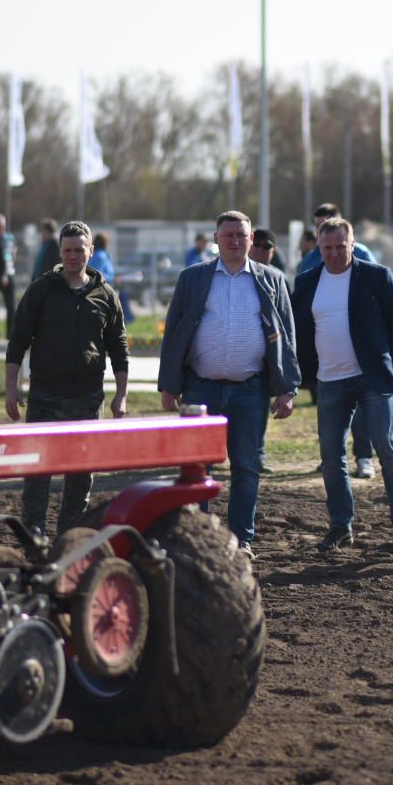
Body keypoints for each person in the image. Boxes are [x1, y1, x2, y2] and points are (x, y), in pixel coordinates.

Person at [158, 211, 300, 557]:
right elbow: (175, 331)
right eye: (229, 235)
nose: (236, 241)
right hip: (200, 389)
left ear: (252, 240)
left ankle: (241, 541)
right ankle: (198, 540)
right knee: (196, 468)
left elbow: (287, 334)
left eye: (242, 235)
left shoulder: (271, 279)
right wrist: (169, 384)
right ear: (216, 239)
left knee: (247, 467)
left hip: (250, 390)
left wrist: (287, 387)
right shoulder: (193, 278)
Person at [292, 217, 393, 552]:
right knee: (331, 457)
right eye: (327, 247)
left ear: (352, 243)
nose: (333, 253)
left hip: (372, 379)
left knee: (386, 450)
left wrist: (377, 352)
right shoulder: (306, 283)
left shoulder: (376, 276)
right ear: (319, 247)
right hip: (329, 383)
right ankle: (340, 525)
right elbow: (300, 333)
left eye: (340, 246)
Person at [6, 220, 130, 535]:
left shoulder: (105, 295)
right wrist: (11, 388)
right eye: (68, 250)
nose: (74, 256)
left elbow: (119, 347)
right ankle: (33, 533)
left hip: (88, 396)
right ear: (60, 252)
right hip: (45, 394)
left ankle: (70, 535)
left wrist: (122, 394)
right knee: (38, 468)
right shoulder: (41, 290)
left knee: (81, 472)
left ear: (91, 251)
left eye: (80, 250)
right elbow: (18, 341)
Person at [296, 203, 374, 274]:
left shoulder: (361, 254)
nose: (320, 230)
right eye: (317, 226)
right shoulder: (309, 259)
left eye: (325, 225)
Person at [0, 213, 17, 338]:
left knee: (11, 306)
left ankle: (10, 333)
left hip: (8, 274)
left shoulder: (9, 238)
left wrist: (6, 273)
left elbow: (10, 256)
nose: (0, 228)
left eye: (2, 226)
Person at [31, 218, 62, 282]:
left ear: (51, 233)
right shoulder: (43, 244)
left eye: (44, 231)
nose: (42, 233)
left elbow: (57, 266)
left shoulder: (56, 247)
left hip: (48, 282)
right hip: (38, 280)